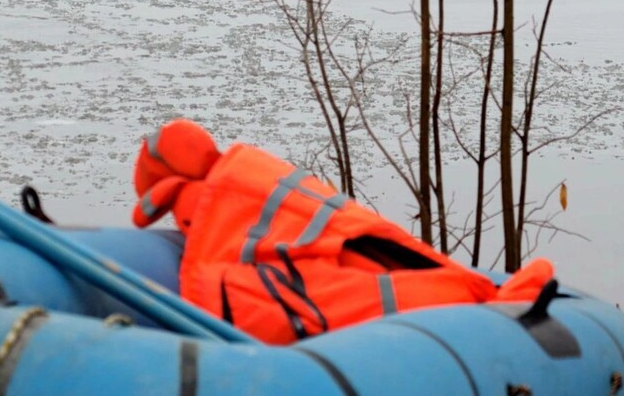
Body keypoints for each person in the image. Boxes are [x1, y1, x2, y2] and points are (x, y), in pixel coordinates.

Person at [131, 120, 554, 344]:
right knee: (396, 268)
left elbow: (239, 311)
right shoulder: (256, 173)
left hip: (423, 307)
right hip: (421, 276)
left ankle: (472, 298)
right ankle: (472, 293)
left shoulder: (220, 226)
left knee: (366, 283)